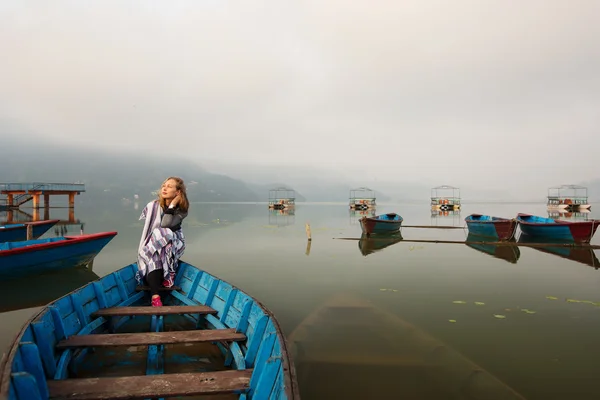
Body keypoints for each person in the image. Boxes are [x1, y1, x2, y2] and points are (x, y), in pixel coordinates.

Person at [136, 177, 189, 307]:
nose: (164, 188)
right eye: (163, 186)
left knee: (164, 233)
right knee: (156, 249)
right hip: (154, 244)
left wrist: (171, 206)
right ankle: (157, 294)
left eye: (169, 186)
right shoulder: (153, 205)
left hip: (174, 243)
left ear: (178, 192)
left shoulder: (182, 209)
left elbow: (166, 225)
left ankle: (162, 279)